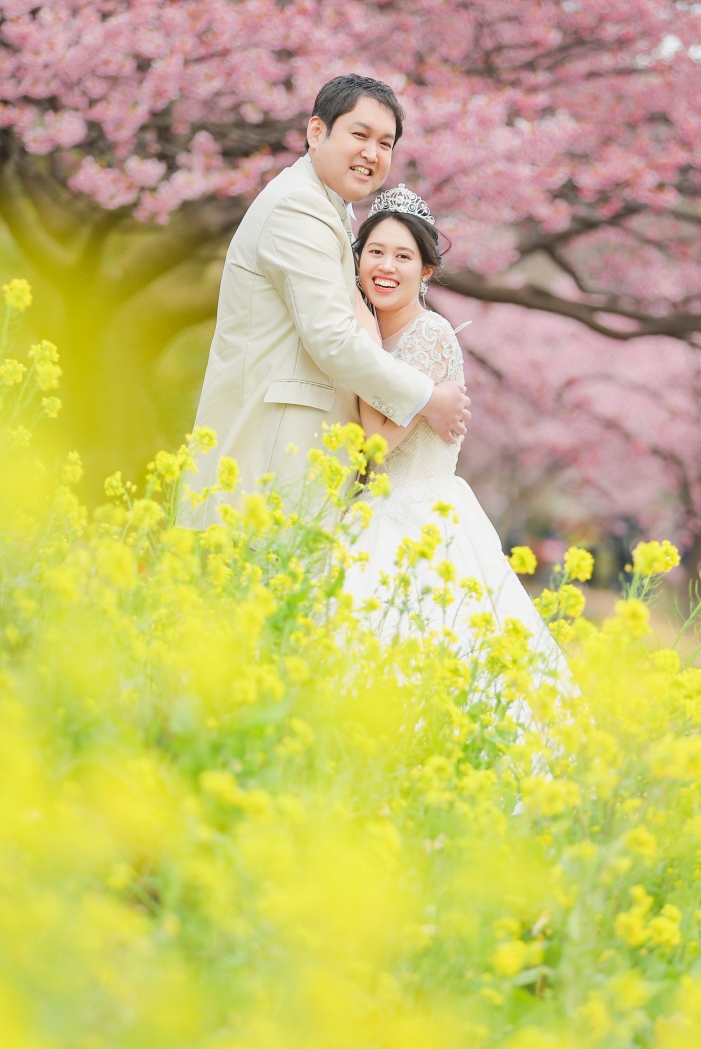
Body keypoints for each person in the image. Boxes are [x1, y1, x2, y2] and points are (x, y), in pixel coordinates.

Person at [181, 75, 469, 527]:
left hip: (296, 480)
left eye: (385, 143)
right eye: (359, 134)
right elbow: (333, 339)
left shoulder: (326, 208)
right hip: (267, 472)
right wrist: (426, 397)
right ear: (317, 132)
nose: (372, 154)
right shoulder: (297, 207)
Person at [346, 184, 563, 672]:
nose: (386, 266)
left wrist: (363, 340)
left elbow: (376, 444)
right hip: (373, 512)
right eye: (375, 251)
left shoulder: (428, 332)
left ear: (425, 270)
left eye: (403, 256)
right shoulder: (372, 330)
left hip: (416, 519)